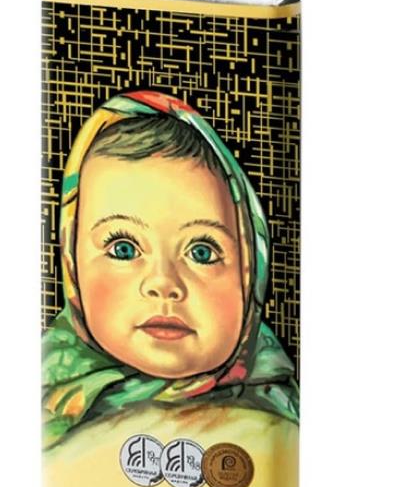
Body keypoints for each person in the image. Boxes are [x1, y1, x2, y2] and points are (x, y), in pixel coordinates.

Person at [42, 90, 299, 453]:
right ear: (72, 261)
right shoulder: (47, 399)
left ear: (249, 271)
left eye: (202, 252)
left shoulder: (281, 430)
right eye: (123, 248)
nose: (163, 283)